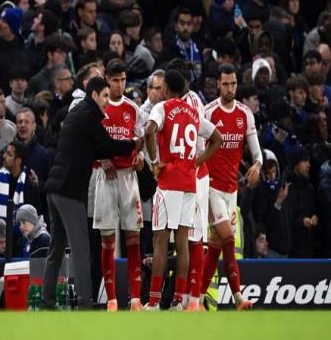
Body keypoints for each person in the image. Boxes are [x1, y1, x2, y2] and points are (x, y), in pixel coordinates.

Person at [41, 76, 142, 309]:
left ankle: (47, 300)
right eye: (105, 95)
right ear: (94, 95)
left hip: (55, 188)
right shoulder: (88, 115)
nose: (107, 100)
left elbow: (93, 149)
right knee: (81, 247)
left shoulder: (78, 113)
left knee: (56, 247)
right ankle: (85, 301)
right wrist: (133, 144)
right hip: (69, 191)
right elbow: (108, 146)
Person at [144, 70, 222, 311]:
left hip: (169, 182)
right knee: (182, 241)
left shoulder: (162, 108)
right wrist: (197, 162)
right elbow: (217, 138)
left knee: (160, 241)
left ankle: (154, 302)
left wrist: (154, 161)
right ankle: (180, 300)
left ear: (167, 88)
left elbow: (149, 131)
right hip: (190, 183)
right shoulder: (194, 112)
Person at [200, 63, 263, 310]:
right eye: (225, 84)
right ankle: (238, 297)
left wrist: (257, 165)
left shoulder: (245, 114)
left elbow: (257, 152)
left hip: (231, 190)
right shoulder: (208, 112)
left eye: (233, 84)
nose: (229, 89)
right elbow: (199, 151)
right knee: (227, 238)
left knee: (216, 246)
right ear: (218, 84)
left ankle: (196, 298)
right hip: (212, 187)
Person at [92, 59, 144, 312]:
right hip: (105, 178)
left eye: (123, 80)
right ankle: (111, 300)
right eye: (115, 80)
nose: (120, 85)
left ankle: (135, 299)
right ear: (106, 80)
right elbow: (87, 141)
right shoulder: (97, 107)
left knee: (133, 237)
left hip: (128, 178)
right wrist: (101, 159)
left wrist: (141, 155)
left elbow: (140, 139)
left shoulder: (133, 109)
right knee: (107, 238)